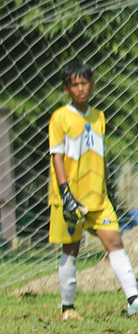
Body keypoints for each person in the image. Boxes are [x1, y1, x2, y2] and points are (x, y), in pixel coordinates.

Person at [48, 60, 138, 320]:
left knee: (115, 242)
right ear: (66, 89)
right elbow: (57, 158)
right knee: (71, 249)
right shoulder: (60, 118)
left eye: (84, 83)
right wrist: (66, 193)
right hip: (71, 197)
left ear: (92, 84)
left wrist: (108, 188)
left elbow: (100, 156)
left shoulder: (99, 117)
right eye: (74, 85)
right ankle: (68, 308)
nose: (80, 89)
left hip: (97, 197)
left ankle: (133, 299)